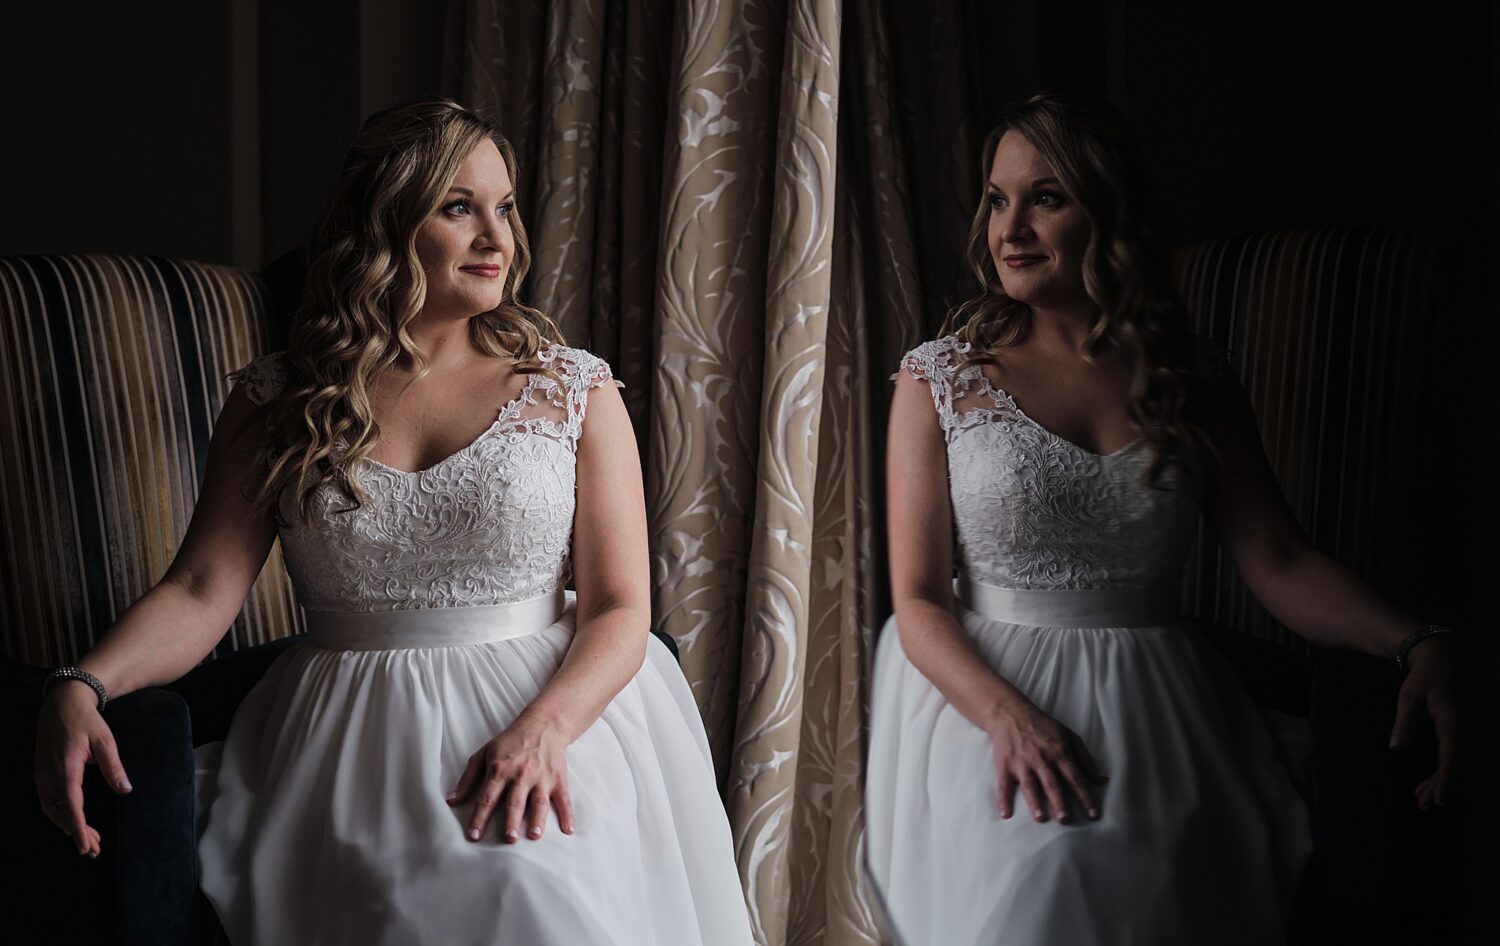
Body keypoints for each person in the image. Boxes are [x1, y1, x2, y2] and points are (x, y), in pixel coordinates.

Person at [32, 96, 755, 946]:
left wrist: (542, 733)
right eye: (460, 207)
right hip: (344, 746)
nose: (498, 236)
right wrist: (83, 684)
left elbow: (622, 609)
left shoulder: (571, 391)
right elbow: (199, 589)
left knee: (534, 894)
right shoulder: (277, 400)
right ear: (385, 224)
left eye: (506, 207)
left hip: (547, 717)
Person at [863, 92, 1459, 946]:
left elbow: (1281, 562)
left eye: (1047, 196)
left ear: (1107, 211)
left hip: (1162, 704)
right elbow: (917, 600)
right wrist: (1007, 717)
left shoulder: (1192, 382)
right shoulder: (940, 379)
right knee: (1048, 886)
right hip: (989, 696)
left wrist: (1418, 639)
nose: (1012, 227)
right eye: (997, 199)